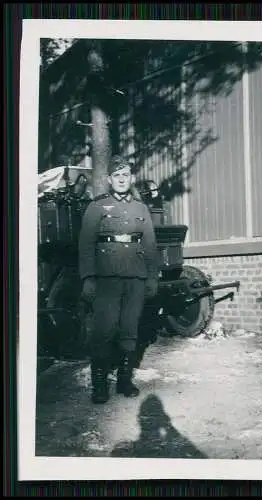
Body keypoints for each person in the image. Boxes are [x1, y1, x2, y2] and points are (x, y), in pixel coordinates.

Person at [78, 155, 159, 404]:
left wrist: (152, 277)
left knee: (129, 330)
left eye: (126, 175)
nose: (122, 180)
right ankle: (99, 384)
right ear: (109, 179)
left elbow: (150, 245)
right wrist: (89, 277)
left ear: (131, 178)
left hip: (135, 276)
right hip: (107, 278)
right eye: (117, 176)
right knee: (104, 330)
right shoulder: (97, 207)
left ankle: (124, 380)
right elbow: (86, 244)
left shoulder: (140, 208)